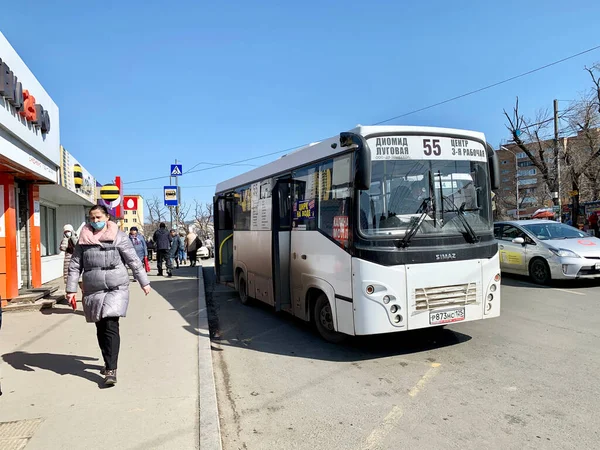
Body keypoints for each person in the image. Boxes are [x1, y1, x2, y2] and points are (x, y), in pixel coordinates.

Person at [66, 205, 151, 386]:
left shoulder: (119, 236)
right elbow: (75, 265)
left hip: (116, 286)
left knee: (111, 323)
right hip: (93, 287)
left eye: (98, 217)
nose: (95, 221)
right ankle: (107, 362)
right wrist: (71, 289)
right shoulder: (83, 239)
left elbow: (133, 261)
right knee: (100, 327)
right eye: (92, 218)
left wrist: (144, 281)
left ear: (107, 217)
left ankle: (111, 369)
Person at [59, 224, 79, 293]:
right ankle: (71, 300)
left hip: (77, 260)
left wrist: (73, 237)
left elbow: (77, 245)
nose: (67, 232)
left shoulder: (76, 238)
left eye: (68, 231)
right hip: (68, 261)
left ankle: (84, 295)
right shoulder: (64, 240)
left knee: (80, 281)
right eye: (66, 231)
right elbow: (63, 248)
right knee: (68, 280)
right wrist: (65, 239)